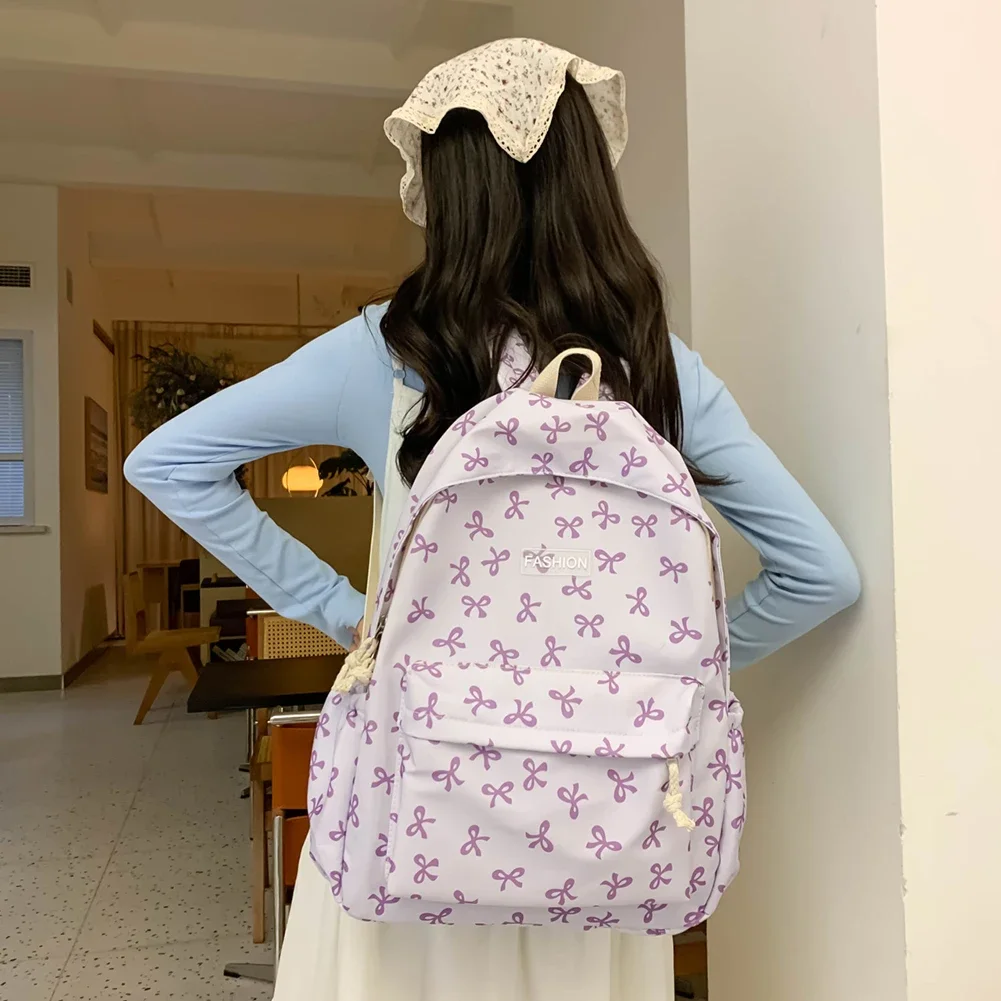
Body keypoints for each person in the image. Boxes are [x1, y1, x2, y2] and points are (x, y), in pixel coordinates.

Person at [125, 38, 860, 1001]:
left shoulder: (389, 352)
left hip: (417, 809)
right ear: (589, 177)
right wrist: (661, 682)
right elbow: (820, 574)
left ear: (443, 189)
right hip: (599, 826)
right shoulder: (655, 366)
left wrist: (353, 618)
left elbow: (166, 462)